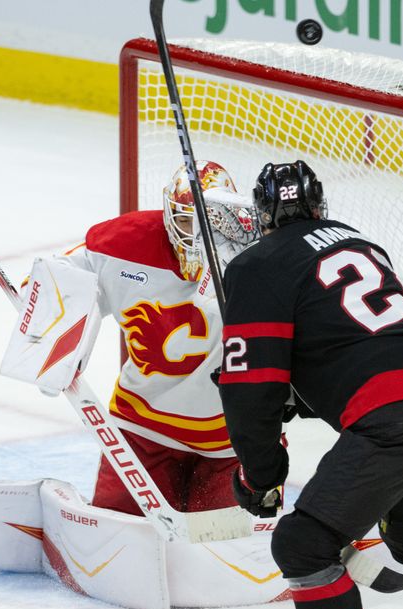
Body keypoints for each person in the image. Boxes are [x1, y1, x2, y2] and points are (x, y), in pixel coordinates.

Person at [217, 160, 403, 609]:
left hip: (395, 415)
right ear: (320, 206)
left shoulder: (255, 265)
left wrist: (262, 477)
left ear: (262, 216)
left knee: (302, 545)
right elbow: (359, 345)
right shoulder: (357, 241)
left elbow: (251, 389)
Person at [58, 160, 257, 515]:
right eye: (184, 221)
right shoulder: (123, 244)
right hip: (142, 429)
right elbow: (59, 275)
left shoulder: (257, 257)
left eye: (205, 224)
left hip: (235, 441)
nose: (192, 236)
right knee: (121, 535)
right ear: (168, 213)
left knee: (228, 547)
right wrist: (51, 325)